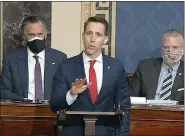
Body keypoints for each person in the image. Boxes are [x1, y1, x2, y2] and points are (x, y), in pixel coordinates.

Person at [50, 16, 131, 136]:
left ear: (105, 39)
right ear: (83, 36)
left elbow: (124, 106)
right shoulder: (66, 66)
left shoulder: (116, 67)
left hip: (107, 132)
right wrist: (71, 94)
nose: (92, 39)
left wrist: (123, 134)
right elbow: (54, 105)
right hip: (74, 132)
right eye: (89, 33)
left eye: (98, 34)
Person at [0, 16, 67, 101]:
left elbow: (64, 90)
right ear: (24, 36)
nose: (36, 38)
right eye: (31, 35)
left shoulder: (59, 58)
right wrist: (23, 101)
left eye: (39, 34)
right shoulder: (11, 60)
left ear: (45, 35)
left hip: (50, 111)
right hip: (22, 110)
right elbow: (4, 90)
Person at [131, 29, 184, 102]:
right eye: (166, 47)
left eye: (175, 47)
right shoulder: (144, 67)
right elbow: (132, 96)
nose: (170, 51)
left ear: (182, 50)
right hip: (147, 111)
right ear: (162, 49)